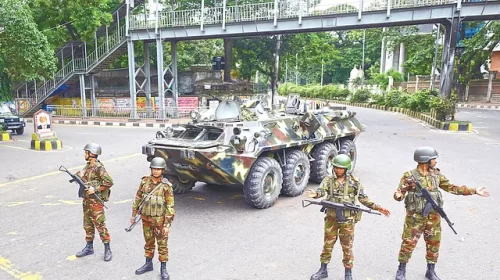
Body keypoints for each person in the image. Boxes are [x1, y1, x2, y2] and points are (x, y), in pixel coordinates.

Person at [393, 147, 490, 280]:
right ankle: (401, 270)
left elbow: (452, 187)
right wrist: (398, 195)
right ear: (425, 160)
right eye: (434, 159)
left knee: (434, 243)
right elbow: (399, 193)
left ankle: (430, 271)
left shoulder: (436, 175)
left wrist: (473, 191)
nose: (436, 161)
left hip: (433, 217)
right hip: (415, 218)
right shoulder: (410, 176)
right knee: (408, 242)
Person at [305, 154, 391, 280]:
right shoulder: (328, 180)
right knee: (328, 244)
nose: (338, 170)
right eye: (336, 167)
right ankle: (323, 270)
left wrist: (378, 207)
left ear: (347, 168)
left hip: (347, 220)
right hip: (331, 219)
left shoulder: (354, 182)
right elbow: (322, 191)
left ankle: (348, 274)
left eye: (341, 168)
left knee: (347, 247)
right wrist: (316, 194)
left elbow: (363, 199)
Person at [131, 157, 175, 280]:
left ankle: (163, 268)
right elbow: (138, 198)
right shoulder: (144, 182)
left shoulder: (166, 186)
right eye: (154, 168)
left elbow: (170, 207)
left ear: (162, 170)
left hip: (160, 221)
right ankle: (148, 263)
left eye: (158, 169)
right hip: (146, 219)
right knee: (148, 243)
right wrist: (134, 215)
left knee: (162, 245)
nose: (156, 171)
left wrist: (166, 225)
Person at [75, 143, 114, 261]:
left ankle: (107, 248)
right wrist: (80, 177)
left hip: (96, 202)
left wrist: (96, 189)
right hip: (87, 201)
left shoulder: (98, 167)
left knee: (100, 225)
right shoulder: (88, 166)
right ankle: (89, 247)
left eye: (86, 152)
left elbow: (109, 182)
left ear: (91, 154)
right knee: (87, 225)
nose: (84, 154)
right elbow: (88, 182)